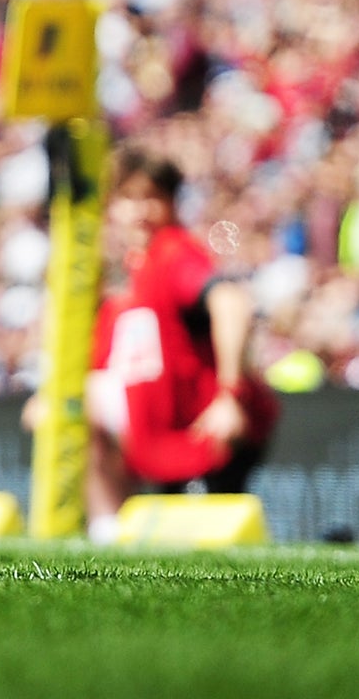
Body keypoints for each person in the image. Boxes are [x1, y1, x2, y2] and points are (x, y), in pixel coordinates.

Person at [81, 152, 279, 542]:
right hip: (164, 436)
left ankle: (109, 529)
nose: (140, 211)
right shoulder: (130, 273)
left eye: (152, 197)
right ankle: (106, 532)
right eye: (128, 198)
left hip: (205, 432)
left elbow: (232, 303)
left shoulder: (172, 253)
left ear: (171, 204)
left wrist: (230, 395)